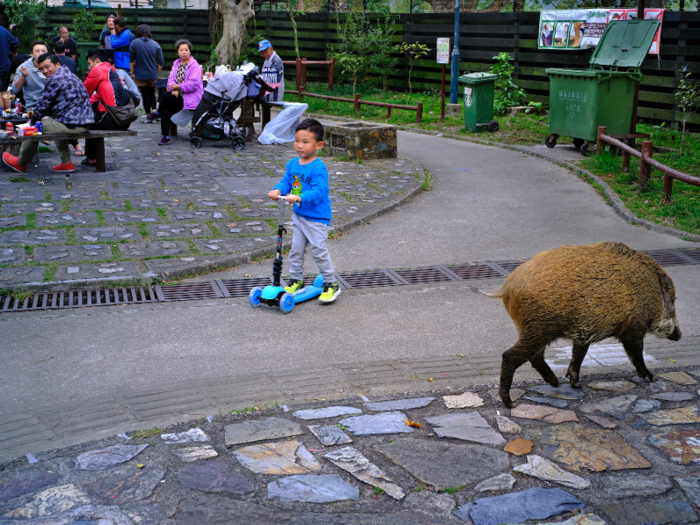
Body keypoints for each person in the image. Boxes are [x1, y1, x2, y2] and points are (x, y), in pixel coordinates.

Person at [267, 119, 340, 304]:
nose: (299, 145)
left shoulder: (318, 167)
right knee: (296, 251)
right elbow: (286, 182)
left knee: (318, 251)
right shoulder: (292, 164)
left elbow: (319, 192)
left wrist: (299, 197)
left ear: (319, 145)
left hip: (317, 218)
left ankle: (331, 284)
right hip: (299, 216)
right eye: (297, 140)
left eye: (305, 142)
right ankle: (296, 280)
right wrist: (278, 190)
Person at [2, 53, 93, 174]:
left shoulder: (56, 79)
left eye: (47, 66)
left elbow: (43, 105)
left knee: (34, 128)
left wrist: (33, 122)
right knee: (53, 123)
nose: (45, 71)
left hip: (74, 124)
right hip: (83, 123)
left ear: (57, 64)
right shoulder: (68, 74)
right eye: (41, 69)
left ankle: (20, 163)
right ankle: (66, 164)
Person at [82, 48, 132, 167]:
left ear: (97, 60)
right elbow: (97, 95)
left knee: (85, 120)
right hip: (125, 118)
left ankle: (92, 158)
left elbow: (82, 94)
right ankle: (91, 157)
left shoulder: (98, 70)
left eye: (89, 64)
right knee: (91, 114)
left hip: (113, 118)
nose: (89, 68)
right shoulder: (111, 71)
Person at [146, 39, 202, 146]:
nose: (184, 52)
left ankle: (157, 112)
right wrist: (174, 89)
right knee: (166, 110)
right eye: (181, 50)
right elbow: (170, 80)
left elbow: (194, 84)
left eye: (186, 50)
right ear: (178, 52)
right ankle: (165, 136)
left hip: (189, 99)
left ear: (190, 51)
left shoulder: (195, 65)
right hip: (176, 96)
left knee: (165, 96)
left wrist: (179, 87)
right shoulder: (176, 64)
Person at [129, 24, 163, 116]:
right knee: (152, 93)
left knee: (145, 96)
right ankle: (154, 111)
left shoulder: (134, 43)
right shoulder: (155, 44)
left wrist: (132, 72)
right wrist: (157, 73)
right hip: (152, 74)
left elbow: (131, 60)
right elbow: (161, 62)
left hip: (140, 74)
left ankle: (148, 115)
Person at [10, 41, 49, 109]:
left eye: (43, 51)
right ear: (32, 53)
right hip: (34, 105)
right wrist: (23, 76)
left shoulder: (52, 66)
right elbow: (14, 90)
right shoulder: (24, 67)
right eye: (37, 51)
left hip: (51, 104)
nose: (40, 53)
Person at [0, 25, 19, 92]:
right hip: (4, 68)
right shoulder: (3, 30)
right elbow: (15, 42)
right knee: (3, 95)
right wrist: (9, 51)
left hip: (3, 67)